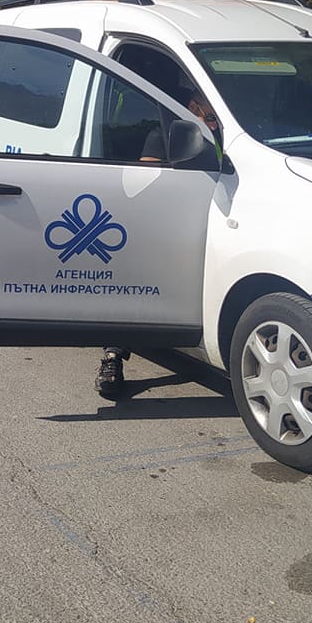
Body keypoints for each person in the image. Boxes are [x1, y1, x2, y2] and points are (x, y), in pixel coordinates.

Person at [98, 87, 221, 399]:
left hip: (214, 221)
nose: (213, 123)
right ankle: (112, 356)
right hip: (171, 221)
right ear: (192, 107)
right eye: (209, 116)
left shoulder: (226, 138)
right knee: (133, 283)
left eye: (216, 117)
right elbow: (148, 184)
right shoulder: (163, 137)